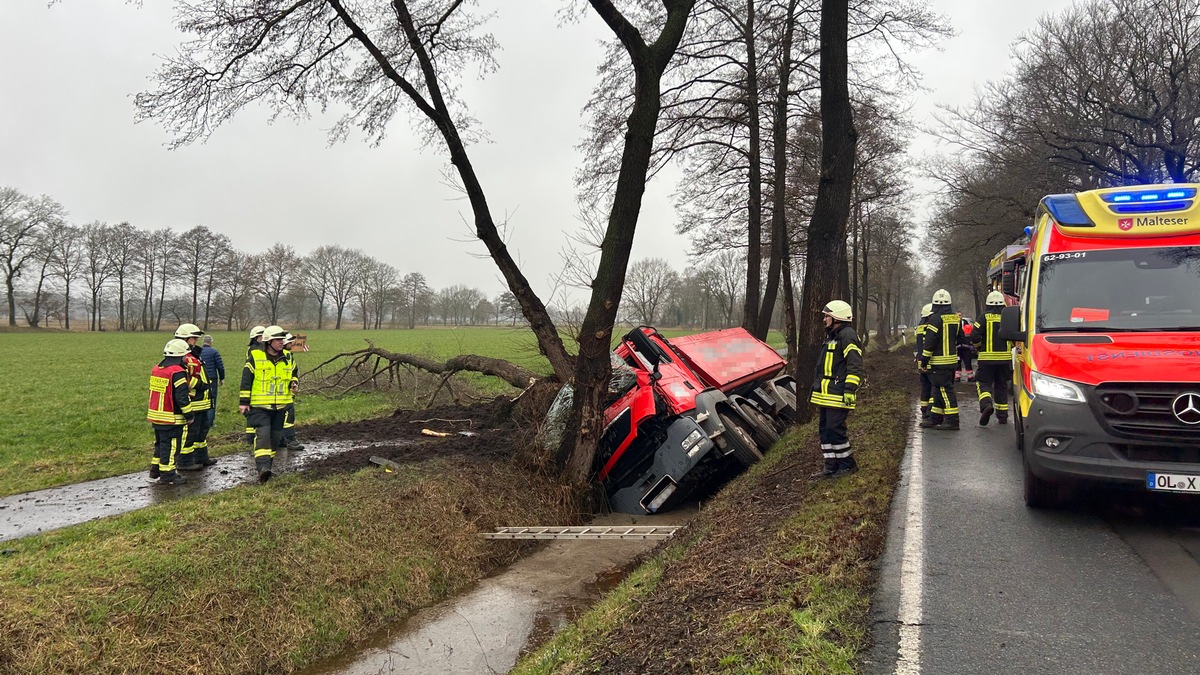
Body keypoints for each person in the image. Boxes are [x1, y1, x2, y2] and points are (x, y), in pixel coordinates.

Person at [809, 300, 864, 479]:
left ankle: (848, 465)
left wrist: (849, 389)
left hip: (838, 394)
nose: (824, 319)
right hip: (826, 395)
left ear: (837, 317)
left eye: (827, 316)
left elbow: (855, 365)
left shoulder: (847, 335)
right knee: (825, 430)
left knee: (835, 429)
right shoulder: (832, 336)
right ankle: (831, 466)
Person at [240, 325, 295, 482]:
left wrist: (294, 383)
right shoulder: (255, 357)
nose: (281, 342)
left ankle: (267, 468)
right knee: (263, 436)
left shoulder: (287, 357)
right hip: (260, 406)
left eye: (282, 339)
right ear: (268, 341)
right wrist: (244, 402)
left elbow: (292, 375)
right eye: (278, 339)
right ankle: (262, 467)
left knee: (275, 438)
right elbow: (246, 380)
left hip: (281, 406)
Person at [147, 338, 193, 485]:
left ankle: (155, 470)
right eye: (186, 355)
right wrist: (189, 415)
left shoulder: (157, 369)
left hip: (156, 414)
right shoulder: (177, 372)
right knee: (172, 445)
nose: (187, 358)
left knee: (160, 444)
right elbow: (181, 397)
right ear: (180, 355)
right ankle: (168, 474)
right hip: (171, 417)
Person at [919, 289, 964, 430]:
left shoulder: (934, 319)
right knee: (937, 390)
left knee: (945, 390)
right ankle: (935, 418)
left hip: (938, 362)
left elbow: (930, 342)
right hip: (951, 361)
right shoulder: (955, 318)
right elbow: (961, 338)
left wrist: (924, 360)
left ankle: (952, 420)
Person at [174, 323, 216, 471]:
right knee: (190, 433)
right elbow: (183, 378)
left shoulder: (193, 355)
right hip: (193, 402)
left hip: (202, 402)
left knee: (202, 431)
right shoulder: (183, 357)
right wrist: (199, 385)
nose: (196, 342)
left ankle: (201, 457)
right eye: (194, 339)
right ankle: (184, 461)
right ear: (185, 339)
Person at [972, 291, 1014, 426]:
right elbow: (1014, 336)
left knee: (983, 383)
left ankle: (986, 405)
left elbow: (974, 336)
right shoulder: (1008, 317)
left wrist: (979, 347)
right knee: (1001, 385)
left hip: (987, 359)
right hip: (1005, 360)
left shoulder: (983, 317)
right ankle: (1002, 416)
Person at [280, 332, 305, 451]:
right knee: (288, 417)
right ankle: (291, 439)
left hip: (287, 392)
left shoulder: (289, 356)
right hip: (280, 394)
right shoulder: (281, 356)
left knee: (282, 417)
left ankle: (280, 440)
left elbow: (294, 371)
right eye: (290, 342)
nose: (292, 344)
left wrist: (294, 382)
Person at [244, 325, 266, 444]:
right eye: (260, 336)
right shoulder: (253, 349)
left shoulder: (263, 348)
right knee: (251, 410)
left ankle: (254, 435)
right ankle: (250, 437)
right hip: (255, 381)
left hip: (261, 382)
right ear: (255, 337)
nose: (263, 338)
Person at [199, 334, 225, 427]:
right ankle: (209, 423)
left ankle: (200, 421)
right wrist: (222, 378)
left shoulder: (198, 352)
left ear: (203, 342)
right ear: (211, 342)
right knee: (212, 400)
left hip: (200, 378)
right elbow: (220, 366)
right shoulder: (214, 352)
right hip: (212, 378)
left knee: (201, 399)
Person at [914, 303, 934, 421]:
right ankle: (931, 409)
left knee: (925, 387)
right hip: (932, 363)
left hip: (921, 364)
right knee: (933, 387)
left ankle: (924, 409)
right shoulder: (932, 328)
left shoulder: (919, 328)